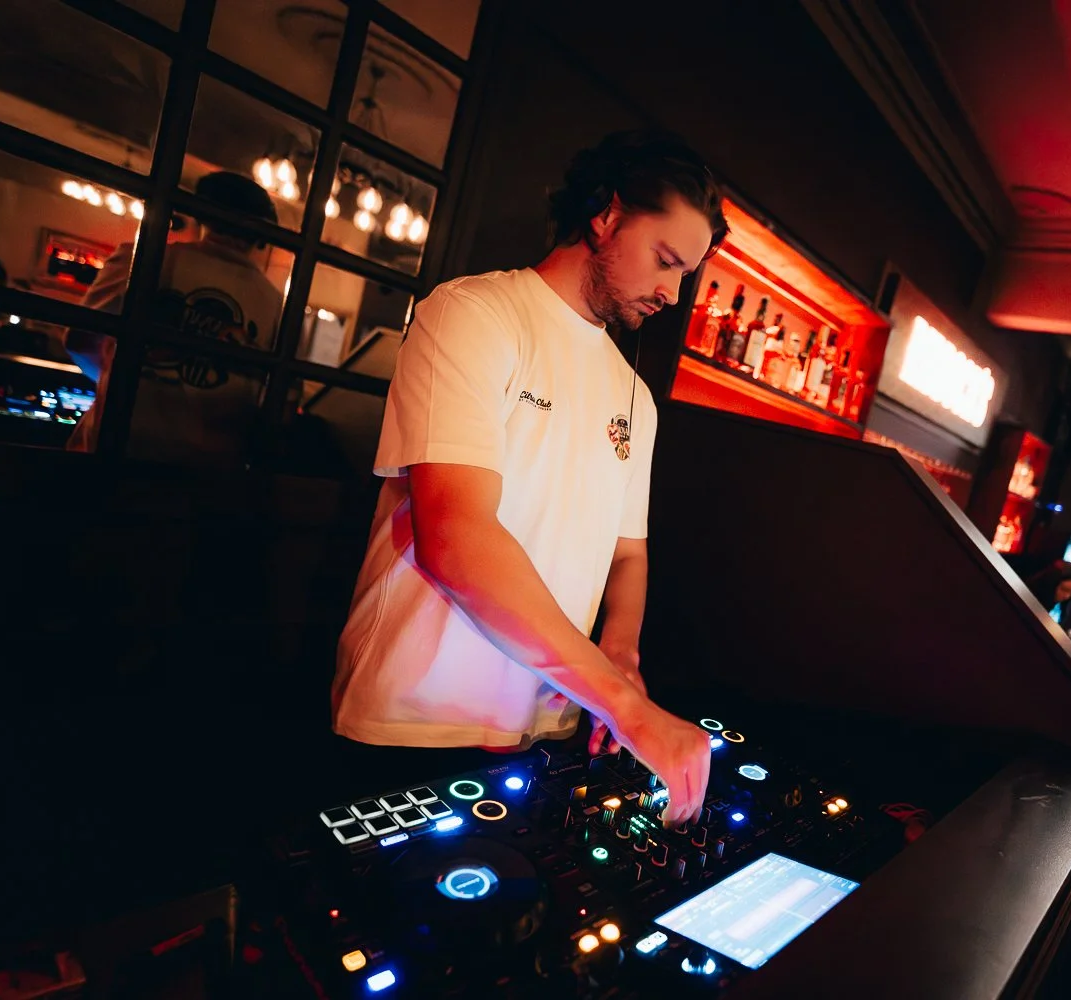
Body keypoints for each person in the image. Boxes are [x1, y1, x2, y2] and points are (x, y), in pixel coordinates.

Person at [333, 130, 727, 827]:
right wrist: (628, 707)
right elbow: (455, 536)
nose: (671, 293)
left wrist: (620, 656)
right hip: (413, 721)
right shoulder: (474, 313)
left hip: (543, 727)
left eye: (684, 275)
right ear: (606, 216)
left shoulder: (633, 394)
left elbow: (627, 553)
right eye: (665, 261)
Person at [64, 171, 284, 458]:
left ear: (199, 213)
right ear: (262, 236)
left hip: (117, 448)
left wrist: (133, 378)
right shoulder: (277, 306)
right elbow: (279, 405)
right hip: (207, 471)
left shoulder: (140, 259)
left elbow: (79, 340)